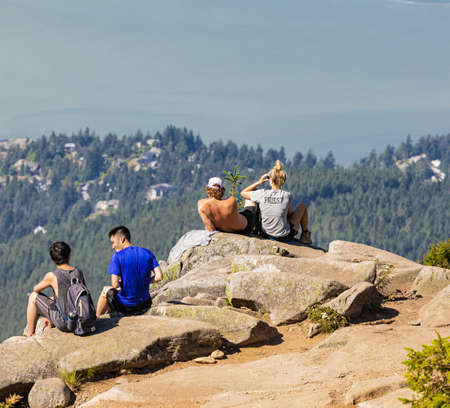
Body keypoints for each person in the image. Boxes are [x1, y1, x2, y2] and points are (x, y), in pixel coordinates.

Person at [96, 226, 163, 317]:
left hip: (127, 308)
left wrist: (124, 284)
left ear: (122, 239)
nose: (112, 246)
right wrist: (144, 281)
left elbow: (115, 284)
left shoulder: (117, 257)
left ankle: (97, 319)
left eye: (113, 242)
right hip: (145, 304)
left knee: (105, 290)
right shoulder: (148, 253)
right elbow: (159, 276)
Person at [241, 160, 312, 244]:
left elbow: (243, 193)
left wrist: (259, 182)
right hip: (284, 237)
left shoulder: (262, 194)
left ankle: (251, 228)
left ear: (270, 180)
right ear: (283, 181)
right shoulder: (287, 195)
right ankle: (305, 235)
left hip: (265, 234)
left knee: (251, 197)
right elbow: (289, 214)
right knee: (302, 206)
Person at [26, 241, 88, 336]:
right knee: (53, 298)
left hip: (66, 323)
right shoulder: (78, 272)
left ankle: (30, 334)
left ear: (53, 259)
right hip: (82, 319)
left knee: (33, 297)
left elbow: (36, 289)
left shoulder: (52, 276)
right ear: (69, 256)